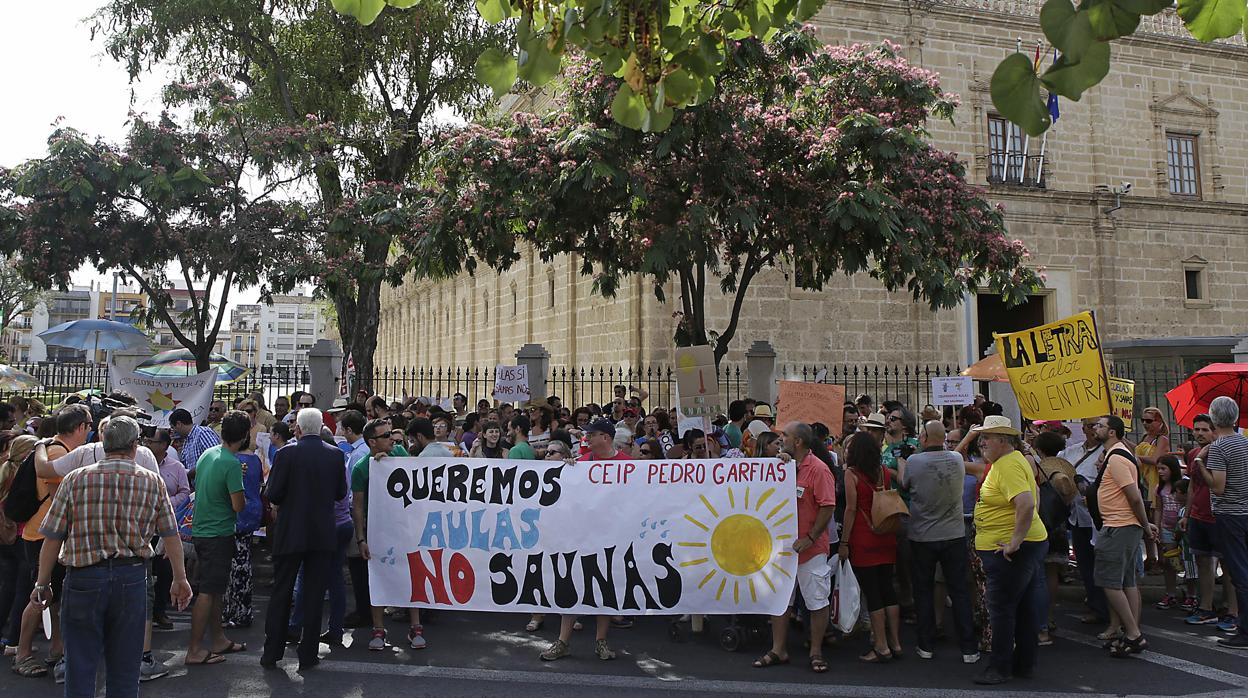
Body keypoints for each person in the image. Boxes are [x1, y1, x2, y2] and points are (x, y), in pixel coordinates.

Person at [31, 416, 192, 697]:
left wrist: (42, 583)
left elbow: (53, 537)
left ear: (103, 444)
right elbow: (170, 534)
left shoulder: (75, 479)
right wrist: (180, 577)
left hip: (83, 577)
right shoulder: (151, 481)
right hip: (131, 577)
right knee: (126, 669)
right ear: (135, 446)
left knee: (79, 665)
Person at [261, 408, 349, 671]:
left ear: (297, 429)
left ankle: (272, 652)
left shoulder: (287, 454)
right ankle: (308, 654)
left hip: (291, 532)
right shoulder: (335, 455)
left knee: (282, 591)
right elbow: (339, 493)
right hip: (321, 532)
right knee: (313, 593)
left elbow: (274, 493)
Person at [11, 404, 91, 680]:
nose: (90, 431)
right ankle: (22, 653)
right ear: (79, 428)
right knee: (41, 594)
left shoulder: (53, 448)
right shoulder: (58, 453)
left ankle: (57, 647)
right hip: (46, 536)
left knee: (53, 595)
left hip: (45, 534)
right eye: (89, 426)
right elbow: (63, 500)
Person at [970, 415, 1049, 684]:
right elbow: (1033, 500)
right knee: (1023, 607)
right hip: (1020, 545)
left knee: (1002, 608)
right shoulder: (1011, 461)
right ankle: (1024, 664)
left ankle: (1000, 667)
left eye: (986, 437)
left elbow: (1026, 504)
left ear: (1003, 440)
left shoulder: (1007, 466)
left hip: (1010, 549)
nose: (981, 442)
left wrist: (1015, 541)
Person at [752, 423, 836, 673]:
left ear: (797, 441)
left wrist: (810, 538)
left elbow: (828, 506)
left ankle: (816, 651)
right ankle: (779, 649)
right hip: (782, 549)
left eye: (785, 436)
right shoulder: (783, 467)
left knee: (817, 601)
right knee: (781, 601)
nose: (780, 439)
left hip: (810, 550)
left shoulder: (819, 470)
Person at [541, 417, 625, 662]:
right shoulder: (581, 462)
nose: (586, 438)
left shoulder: (628, 465)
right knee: (572, 586)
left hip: (610, 537)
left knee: (604, 588)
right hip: (579, 537)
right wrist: (568, 470)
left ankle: (601, 642)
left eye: (592, 434)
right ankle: (563, 642)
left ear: (606, 438)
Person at [899, 420, 979, 663]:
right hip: (953, 534)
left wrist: (902, 461)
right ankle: (969, 648)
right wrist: (966, 440)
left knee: (923, 591)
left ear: (923, 437)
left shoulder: (914, 462)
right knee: (960, 591)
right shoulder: (955, 460)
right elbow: (954, 455)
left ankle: (926, 645)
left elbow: (904, 484)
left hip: (922, 535)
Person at [185, 410, 250, 666]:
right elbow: (238, 505)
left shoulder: (209, 454)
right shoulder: (232, 464)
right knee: (208, 592)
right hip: (218, 533)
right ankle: (194, 649)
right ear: (245, 435)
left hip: (203, 530)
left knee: (215, 590)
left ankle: (219, 638)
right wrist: (241, 482)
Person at [352, 419, 423, 651]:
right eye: (385, 436)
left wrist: (390, 464)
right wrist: (361, 539)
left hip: (405, 529)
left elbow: (417, 476)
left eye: (391, 433)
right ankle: (379, 629)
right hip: (378, 531)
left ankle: (416, 628)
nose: (392, 438)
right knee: (378, 578)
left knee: (411, 574)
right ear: (372, 442)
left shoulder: (399, 452)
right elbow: (359, 508)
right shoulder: (361, 468)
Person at [1092, 415, 1157, 659]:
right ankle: (1132, 631)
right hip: (1123, 525)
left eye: (1099, 425)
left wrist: (1145, 525)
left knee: (1110, 582)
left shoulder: (1117, 457)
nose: (1094, 428)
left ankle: (1132, 634)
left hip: (1119, 527)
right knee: (1127, 582)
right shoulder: (1115, 454)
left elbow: (1134, 496)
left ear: (1112, 432)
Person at [841, 429, 901, 663]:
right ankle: (895, 642)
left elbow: (851, 509)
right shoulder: (883, 472)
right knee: (888, 588)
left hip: (863, 537)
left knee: (872, 591)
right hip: (885, 534)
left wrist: (844, 542)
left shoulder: (852, 475)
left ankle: (881, 645)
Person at [1184, 413, 1240, 627]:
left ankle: (1233, 611)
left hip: (1221, 516)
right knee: (1203, 562)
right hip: (1199, 516)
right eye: (1196, 429)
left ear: (1214, 431)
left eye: (1204, 429)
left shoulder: (1223, 452)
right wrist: (1187, 515)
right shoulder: (1193, 454)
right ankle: (1206, 608)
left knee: (1228, 565)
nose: (1199, 433)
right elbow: (1192, 486)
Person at [1204, 396, 1248, 648]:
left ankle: (1245, 630)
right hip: (1245, 511)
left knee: (1240, 574)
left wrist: (1201, 465)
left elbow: (1218, 487)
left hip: (1230, 514)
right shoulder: (1244, 442)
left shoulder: (1220, 448)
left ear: (1213, 419)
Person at [1059, 418, 1109, 624]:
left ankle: (1107, 607)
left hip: (1099, 520)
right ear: (1083, 429)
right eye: (1090, 426)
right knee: (1085, 565)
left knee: (1103, 565)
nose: (1094, 430)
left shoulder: (1109, 452)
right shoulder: (1071, 452)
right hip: (1076, 518)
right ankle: (1095, 605)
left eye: (1098, 426)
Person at [1032, 430, 1077, 646]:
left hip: (1043, 523)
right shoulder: (1062, 467)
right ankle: (1047, 616)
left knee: (1039, 573)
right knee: (1051, 573)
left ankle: (1040, 619)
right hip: (1058, 523)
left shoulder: (1043, 468)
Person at [147, 429, 189, 631]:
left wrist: (166, 503)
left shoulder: (176, 467)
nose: (147, 443)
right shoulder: (141, 463)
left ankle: (159, 610)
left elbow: (185, 492)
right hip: (145, 528)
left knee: (165, 572)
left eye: (152, 441)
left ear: (164, 445)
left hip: (166, 528)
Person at [1153, 455, 1185, 610]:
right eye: (1158, 468)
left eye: (1163, 468)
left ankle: (1191, 594)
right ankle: (1170, 593)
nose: (1160, 472)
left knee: (1187, 561)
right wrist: (1157, 527)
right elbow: (1159, 508)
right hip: (1167, 528)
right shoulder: (1159, 489)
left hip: (1183, 529)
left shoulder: (1183, 484)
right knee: (1169, 563)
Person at [170, 407, 221, 475]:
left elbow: (216, 459)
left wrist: (191, 473)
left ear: (179, 424)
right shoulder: (187, 440)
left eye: (173, 427)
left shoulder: (203, 433)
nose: (173, 431)